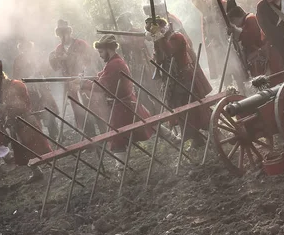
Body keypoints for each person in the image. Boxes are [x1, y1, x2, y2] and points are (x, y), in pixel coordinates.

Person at [83, 35, 153, 164]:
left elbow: (101, 86)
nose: (100, 55)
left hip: (122, 105)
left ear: (108, 50)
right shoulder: (114, 62)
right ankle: (173, 138)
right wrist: (89, 80)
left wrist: (83, 84)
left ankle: (120, 168)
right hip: (125, 103)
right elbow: (103, 78)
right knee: (148, 123)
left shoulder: (114, 64)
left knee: (117, 138)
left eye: (101, 52)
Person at [146, 16, 212, 147]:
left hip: (185, 78)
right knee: (181, 111)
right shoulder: (159, 40)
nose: (153, 33)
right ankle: (196, 139)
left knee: (197, 108)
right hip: (172, 82)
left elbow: (170, 51)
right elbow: (159, 58)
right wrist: (156, 40)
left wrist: (158, 37)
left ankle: (213, 129)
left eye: (154, 30)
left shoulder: (176, 37)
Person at [0, 61, 51, 183]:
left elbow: (22, 104)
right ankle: (36, 172)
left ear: (0, 78)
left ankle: (54, 168)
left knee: (38, 148)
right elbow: (6, 108)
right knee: (24, 152)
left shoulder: (16, 85)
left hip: (26, 121)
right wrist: (0, 112)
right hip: (15, 124)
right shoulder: (2, 91)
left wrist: (6, 107)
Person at [48, 20, 95, 135]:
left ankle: (95, 135)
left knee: (88, 106)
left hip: (83, 80)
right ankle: (87, 137)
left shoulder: (80, 44)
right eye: (60, 34)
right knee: (77, 110)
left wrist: (68, 57)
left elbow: (89, 60)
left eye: (64, 33)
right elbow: (55, 67)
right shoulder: (58, 49)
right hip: (69, 83)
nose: (63, 36)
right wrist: (53, 59)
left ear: (69, 32)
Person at [13, 40, 59, 140]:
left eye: (27, 47)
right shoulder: (18, 61)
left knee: (49, 109)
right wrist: (27, 81)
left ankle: (54, 133)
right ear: (21, 49)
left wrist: (40, 76)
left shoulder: (37, 57)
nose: (26, 50)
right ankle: (40, 136)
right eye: (23, 48)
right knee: (36, 113)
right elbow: (17, 77)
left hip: (42, 87)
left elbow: (46, 69)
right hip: (30, 91)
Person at [226, 0, 268, 76]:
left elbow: (248, 40)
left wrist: (235, 31)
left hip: (261, 52)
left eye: (234, 22)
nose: (235, 25)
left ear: (235, 19)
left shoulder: (250, 20)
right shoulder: (248, 20)